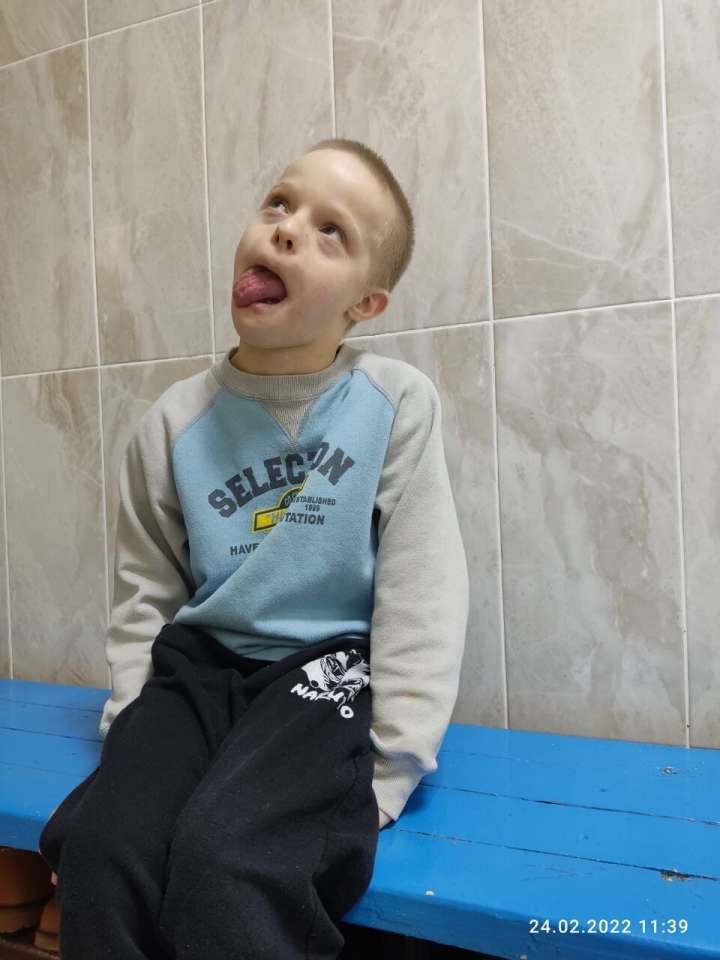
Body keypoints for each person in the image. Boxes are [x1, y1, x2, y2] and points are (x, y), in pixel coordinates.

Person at [38, 138, 469, 959]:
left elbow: (424, 589)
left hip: (323, 676)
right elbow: (146, 591)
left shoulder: (394, 404)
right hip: (197, 672)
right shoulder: (172, 423)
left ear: (366, 304)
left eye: (331, 231)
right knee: (101, 845)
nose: (287, 228)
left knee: (227, 858)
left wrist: (391, 767)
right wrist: (133, 731)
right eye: (279, 202)